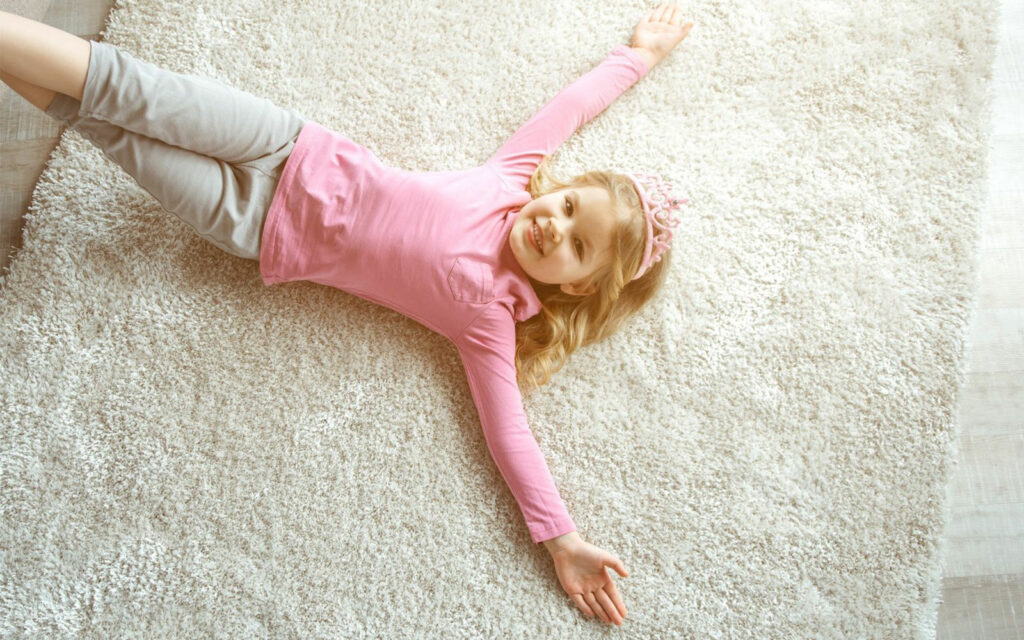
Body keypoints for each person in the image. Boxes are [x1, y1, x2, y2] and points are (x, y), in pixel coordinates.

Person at [0, 3, 693, 626]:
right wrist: (637, 57)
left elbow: (510, 433)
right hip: (287, 144)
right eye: (568, 206)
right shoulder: (510, 180)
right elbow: (568, 110)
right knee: (129, 88)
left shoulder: (488, 320)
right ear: (560, 188)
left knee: (99, 125)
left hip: (254, 227)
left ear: (575, 289)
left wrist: (561, 538)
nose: (554, 226)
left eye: (576, 247)